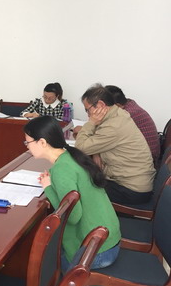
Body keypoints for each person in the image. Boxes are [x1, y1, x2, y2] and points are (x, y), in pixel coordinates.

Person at [24, 116, 121, 271]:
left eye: (27, 142)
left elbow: (72, 216)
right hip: (108, 240)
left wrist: (48, 188)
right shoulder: (70, 156)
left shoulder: (61, 169)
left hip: (97, 252)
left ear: (42, 142)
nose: (27, 147)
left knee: (47, 265)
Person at [75, 84, 155, 205]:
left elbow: (80, 148)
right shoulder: (118, 114)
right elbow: (98, 139)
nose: (88, 115)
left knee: (80, 188)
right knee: (86, 176)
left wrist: (91, 122)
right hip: (134, 182)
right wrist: (96, 152)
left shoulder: (113, 126)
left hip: (131, 190)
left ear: (100, 105)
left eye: (87, 110)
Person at [105, 85, 160, 161]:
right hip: (142, 155)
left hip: (145, 160)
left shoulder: (127, 115)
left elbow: (105, 137)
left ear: (117, 105)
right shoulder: (129, 105)